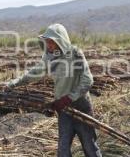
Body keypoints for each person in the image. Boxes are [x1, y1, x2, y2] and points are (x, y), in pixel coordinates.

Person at [6, 23, 102, 157]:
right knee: (63, 150)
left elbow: (88, 81)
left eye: (52, 42)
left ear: (61, 41)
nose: (49, 45)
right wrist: (14, 83)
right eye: (47, 42)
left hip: (81, 106)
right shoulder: (49, 57)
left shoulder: (75, 54)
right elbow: (35, 73)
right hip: (63, 110)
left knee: (89, 146)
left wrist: (69, 98)